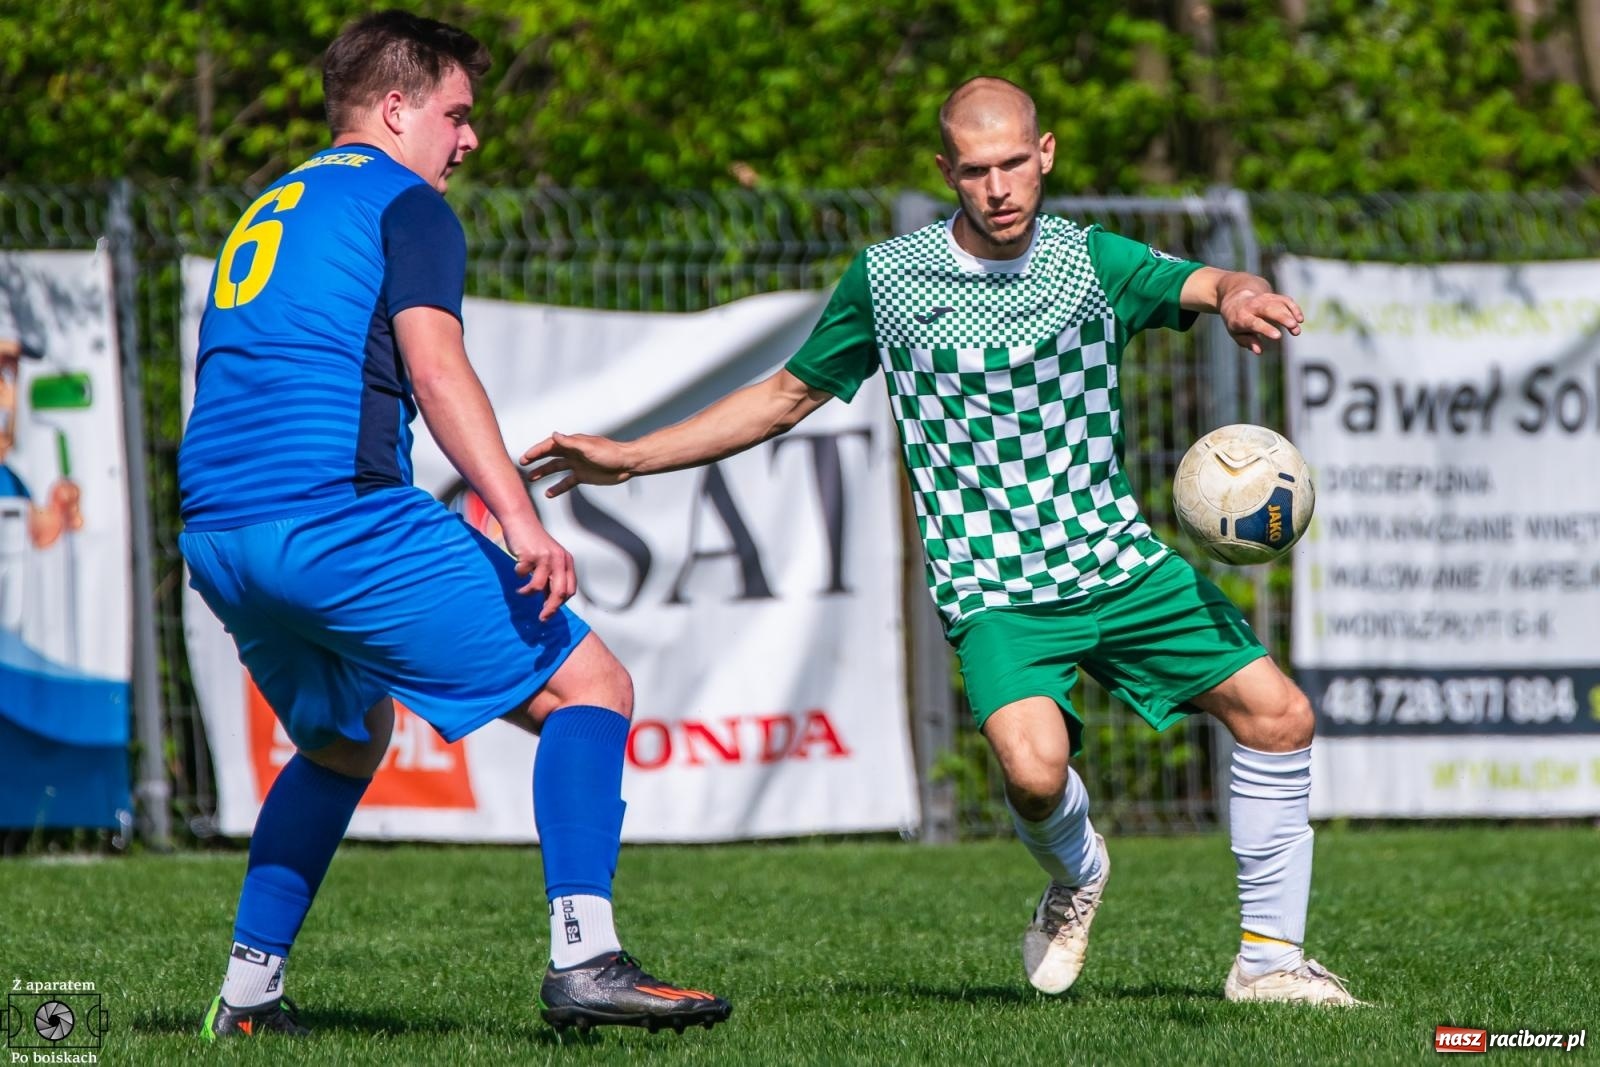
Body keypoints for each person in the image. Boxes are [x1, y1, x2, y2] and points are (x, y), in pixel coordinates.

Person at [522, 76, 1362, 1007]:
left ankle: (1271, 962)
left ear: (1046, 155)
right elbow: (782, 396)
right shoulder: (887, 280)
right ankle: (1078, 872)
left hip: (1119, 566)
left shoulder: (1096, 262)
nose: (998, 187)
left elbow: (1206, 280)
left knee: (1280, 716)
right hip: (993, 585)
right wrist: (633, 457)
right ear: (945, 172)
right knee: (1036, 773)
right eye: (974, 170)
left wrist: (1241, 293)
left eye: (1013, 164)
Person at [178, 10, 730, 1040]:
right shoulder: (405, 201)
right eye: (457, 114)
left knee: (347, 739)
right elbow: (435, 369)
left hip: (218, 532)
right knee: (592, 685)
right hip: (331, 516)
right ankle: (586, 953)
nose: (468, 141)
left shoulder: (274, 202)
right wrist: (523, 520)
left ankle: (247, 999)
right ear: (396, 108)